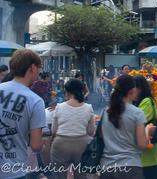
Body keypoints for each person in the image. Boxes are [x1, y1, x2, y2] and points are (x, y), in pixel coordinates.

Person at [0, 49, 46, 179]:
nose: (39, 73)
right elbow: (36, 145)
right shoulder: (35, 101)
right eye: (39, 68)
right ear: (32, 68)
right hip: (14, 171)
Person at [100, 75, 154, 179]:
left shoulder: (106, 112)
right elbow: (142, 145)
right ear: (132, 90)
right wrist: (147, 131)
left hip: (107, 168)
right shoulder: (137, 113)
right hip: (130, 167)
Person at [50, 79, 96, 179]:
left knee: (58, 175)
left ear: (67, 92)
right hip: (82, 145)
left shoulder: (59, 107)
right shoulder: (88, 108)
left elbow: (54, 131)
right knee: (81, 176)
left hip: (61, 144)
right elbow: (91, 131)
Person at [134, 76, 157, 179]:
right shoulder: (139, 102)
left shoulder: (146, 101)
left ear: (140, 88)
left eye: (134, 88)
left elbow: (136, 121)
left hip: (150, 155)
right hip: (144, 155)